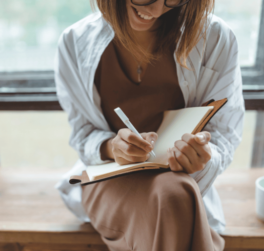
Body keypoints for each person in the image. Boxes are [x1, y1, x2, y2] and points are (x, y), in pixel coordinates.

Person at [54, 0, 245, 250]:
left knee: (174, 193)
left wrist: (203, 157)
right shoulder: (74, 43)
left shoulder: (216, 38)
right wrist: (112, 147)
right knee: (176, 197)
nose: (155, 11)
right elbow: (82, 133)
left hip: (183, 181)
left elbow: (224, 133)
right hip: (108, 180)